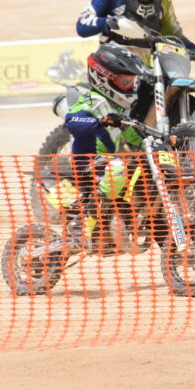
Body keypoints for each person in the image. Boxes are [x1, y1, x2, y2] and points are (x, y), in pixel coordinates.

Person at [75, 0, 195, 122]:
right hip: (110, 67)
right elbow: (82, 24)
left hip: (146, 69)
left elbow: (173, 35)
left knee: (172, 88)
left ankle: (157, 134)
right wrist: (110, 22)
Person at [63, 42, 149, 254]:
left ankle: (119, 221)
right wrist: (100, 121)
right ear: (104, 78)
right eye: (125, 81)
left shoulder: (118, 107)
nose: (130, 86)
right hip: (87, 162)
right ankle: (82, 225)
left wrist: (154, 140)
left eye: (132, 81)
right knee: (118, 167)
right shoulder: (91, 100)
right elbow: (72, 121)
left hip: (106, 163)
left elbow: (132, 134)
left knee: (138, 169)